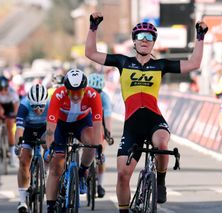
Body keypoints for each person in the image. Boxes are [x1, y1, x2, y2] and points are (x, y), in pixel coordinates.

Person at [85, 12, 208, 212]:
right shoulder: (123, 62)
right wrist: (93, 27)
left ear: (153, 43)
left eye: (149, 37)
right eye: (140, 36)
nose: (144, 40)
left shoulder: (161, 65)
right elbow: (91, 53)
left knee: (161, 143)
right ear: (134, 41)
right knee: (123, 175)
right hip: (132, 124)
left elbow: (194, 63)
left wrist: (200, 37)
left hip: (154, 119)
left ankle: (160, 182)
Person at [44, 68, 103, 213]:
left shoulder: (93, 95)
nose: (75, 96)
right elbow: (50, 128)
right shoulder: (58, 95)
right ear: (66, 89)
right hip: (61, 125)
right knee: (56, 165)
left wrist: (98, 146)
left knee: (91, 143)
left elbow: (97, 126)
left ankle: (83, 172)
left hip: (81, 123)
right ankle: (51, 205)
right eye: (72, 92)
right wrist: (50, 146)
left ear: (85, 89)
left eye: (79, 92)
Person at [14, 83, 49, 213]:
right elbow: (19, 130)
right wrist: (18, 146)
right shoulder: (24, 105)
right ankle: (22, 201)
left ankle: (45, 168)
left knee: (50, 147)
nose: (38, 109)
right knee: (24, 161)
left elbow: (54, 129)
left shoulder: (51, 104)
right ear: (30, 102)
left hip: (44, 129)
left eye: (41, 106)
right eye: (34, 106)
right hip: (27, 131)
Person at [88, 72, 113, 198]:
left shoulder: (105, 98)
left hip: (99, 122)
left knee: (100, 153)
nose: (95, 93)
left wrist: (108, 134)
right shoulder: (84, 95)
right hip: (86, 121)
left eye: (98, 91)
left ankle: (99, 185)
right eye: (93, 90)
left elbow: (107, 118)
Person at [0, 75, 20, 167]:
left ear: (7, 87)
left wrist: (15, 117)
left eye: (5, 89)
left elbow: (16, 105)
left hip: (9, 105)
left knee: (10, 127)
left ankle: (12, 156)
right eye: (1, 89)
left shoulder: (12, 91)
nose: (3, 92)